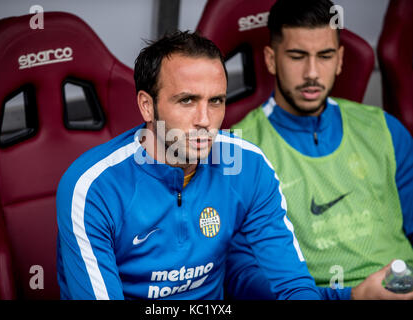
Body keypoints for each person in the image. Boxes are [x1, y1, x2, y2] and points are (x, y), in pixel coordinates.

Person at [56, 31, 321, 300]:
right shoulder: (92, 187)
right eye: (187, 100)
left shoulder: (247, 165)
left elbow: (294, 285)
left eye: (216, 101)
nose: (205, 120)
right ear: (147, 106)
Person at [226, 0, 413, 300]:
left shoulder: (385, 130)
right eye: (297, 56)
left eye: (324, 56)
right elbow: (240, 278)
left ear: (340, 60)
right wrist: (352, 296)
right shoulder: (238, 151)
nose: (312, 73)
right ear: (271, 60)